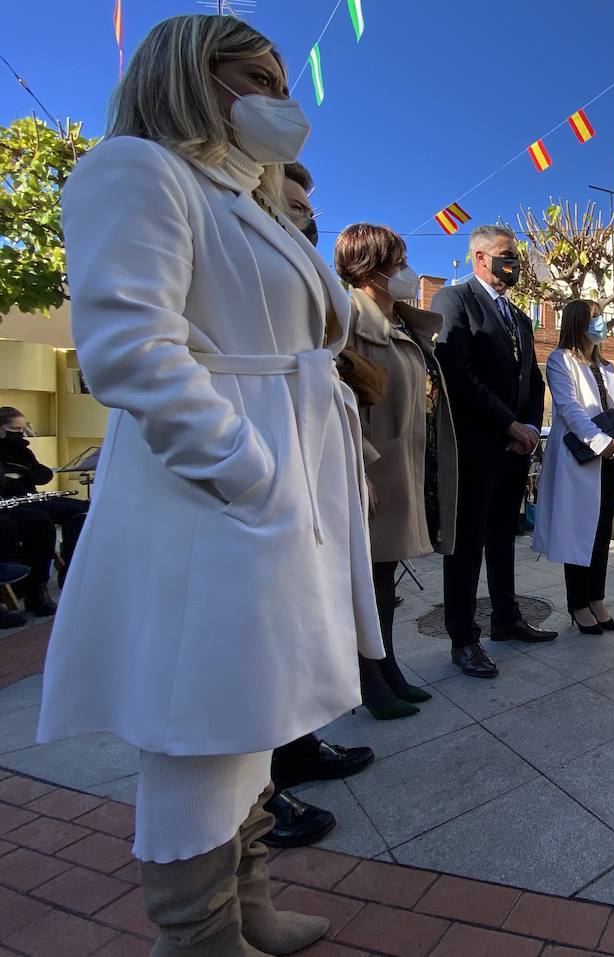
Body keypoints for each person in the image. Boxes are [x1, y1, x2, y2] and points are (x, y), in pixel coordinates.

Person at [41, 15, 383, 954]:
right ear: (195, 79)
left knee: (253, 707)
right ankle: (195, 937)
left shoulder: (254, 201)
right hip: (216, 491)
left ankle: (249, 901)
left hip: (278, 487)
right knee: (201, 721)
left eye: (285, 77)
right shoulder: (139, 170)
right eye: (258, 78)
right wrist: (246, 470)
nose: (283, 99)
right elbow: (131, 350)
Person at [265, 162, 375, 849]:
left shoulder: (292, 255)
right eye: (295, 200)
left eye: (311, 203)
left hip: (313, 450)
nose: (308, 213)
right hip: (266, 453)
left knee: (304, 612)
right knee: (262, 627)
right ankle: (258, 788)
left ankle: (298, 742)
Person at [336, 223, 456, 718]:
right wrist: (359, 464)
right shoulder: (345, 318)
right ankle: (367, 680)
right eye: (396, 261)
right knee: (366, 582)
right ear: (371, 267)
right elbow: (333, 400)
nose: (404, 270)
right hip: (368, 468)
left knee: (384, 580)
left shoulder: (403, 324)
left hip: (400, 465)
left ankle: (386, 669)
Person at [433, 224, 555, 677]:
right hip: (477, 444)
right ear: (480, 258)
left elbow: (532, 379)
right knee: (465, 543)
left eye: (517, 255)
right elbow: (458, 373)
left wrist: (528, 426)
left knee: (503, 537)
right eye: (507, 254)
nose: (515, 263)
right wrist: (507, 422)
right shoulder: (455, 300)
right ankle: (463, 638)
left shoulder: (520, 317)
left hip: (515, 445)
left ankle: (507, 617)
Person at [533, 301, 614, 632]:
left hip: (611, 458)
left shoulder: (608, 366)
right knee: (579, 532)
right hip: (581, 458)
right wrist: (600, 441)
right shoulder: (561, 361)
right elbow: (570, 409)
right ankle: (578, 604)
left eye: (601, 316)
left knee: (602, 531)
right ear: (577, 323)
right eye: (594, 318)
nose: (601, 323)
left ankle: (597, 597)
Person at [0, 407, 88, 590]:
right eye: (16, 430)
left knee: (82, 509)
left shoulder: (23, 450)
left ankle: (72, 571)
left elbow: (44, 474)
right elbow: (5, 482)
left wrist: (23, 474)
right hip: (11, 500)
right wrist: (25, 476)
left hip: (29, 496)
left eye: (23, 429)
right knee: (40, 521)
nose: (21, 434)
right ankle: (36, 588)